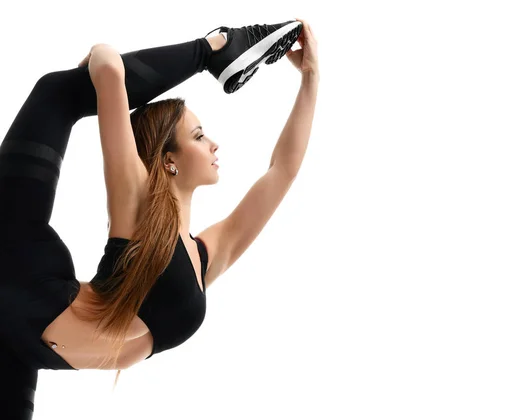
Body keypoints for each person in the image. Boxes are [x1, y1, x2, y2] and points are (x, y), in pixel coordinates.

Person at [0, 18, 319, 419]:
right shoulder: (136, 201)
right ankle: (215, 50)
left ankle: (217, 52)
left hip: (21, 345)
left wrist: (310, 78)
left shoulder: (204, 258)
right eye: (201, 136)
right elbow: (110, 71)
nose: (214, 143)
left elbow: (282, 171)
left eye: (200, 134)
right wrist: (99, 51)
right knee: (56, 92)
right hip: (18, 271)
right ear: (167, 161)